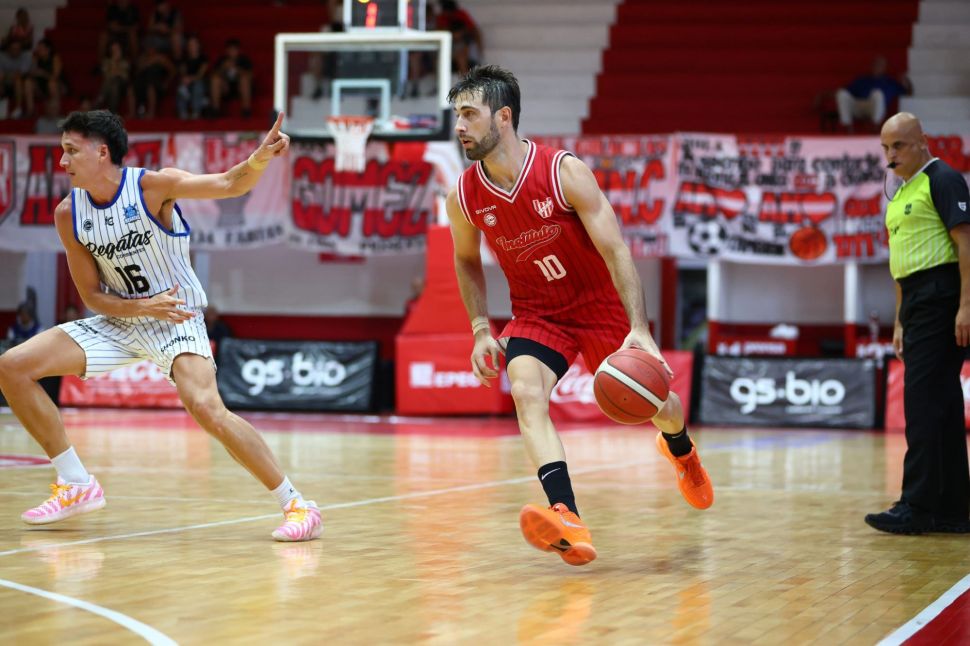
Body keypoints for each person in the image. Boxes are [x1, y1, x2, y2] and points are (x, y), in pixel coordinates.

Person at [0, 109, 322, 542]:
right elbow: (91, 295)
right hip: (122, 318)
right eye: (63, 151)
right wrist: (139, 308)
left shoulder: (153, 186)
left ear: (102, 152)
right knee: (12, 367)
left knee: (206, 408)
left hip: (176, 317)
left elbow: (229, 183)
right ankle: (76, 482)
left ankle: (298, 504)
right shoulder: (68, 213)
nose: (63, 161)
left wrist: (259, 159)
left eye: (71, 151)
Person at [445, 66, 714, 566]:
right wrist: (481, 329)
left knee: (660, 407)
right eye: (455, 115)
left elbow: (616, 250)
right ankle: (566, 514)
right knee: (526, 391)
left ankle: (681, 449)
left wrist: (639, 329)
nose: (459, 125)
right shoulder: (463, 196)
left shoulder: (562, 172)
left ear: (503, 117)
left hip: (599, 308)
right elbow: (465, 260)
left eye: (469, 114)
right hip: (538, 313)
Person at [865, 112, 970, 535]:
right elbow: (900, 262)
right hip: (915, 302)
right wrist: (899, 321)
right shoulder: (901, 193)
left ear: (922, 141)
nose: (891, 155)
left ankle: (917, 505)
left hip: (940, 296)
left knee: (923, 403)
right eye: (885, 148)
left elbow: (965, 243)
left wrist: (966, 305)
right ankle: (953, 509)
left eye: (899, 146)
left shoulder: (943, 179)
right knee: (942, 405)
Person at [836, 56, 911, 133]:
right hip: (859, 105)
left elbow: (907, 93)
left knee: (877, 93)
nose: (877, 67)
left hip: (873, 107)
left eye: (880, 65)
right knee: (842, 94)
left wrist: (905, 81)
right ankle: (847, 127)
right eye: (876, 64)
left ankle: (875, 127)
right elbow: (847, 92)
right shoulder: (863, 79)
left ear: (885, 67)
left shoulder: (890, 83)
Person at [209, 38, 253, 118]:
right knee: (215, 80)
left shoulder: (244, 60)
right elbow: (213, 75)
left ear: (238, 50)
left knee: (244, 80)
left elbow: (251, 76)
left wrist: (238, 70)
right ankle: (215, 110)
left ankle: (246, 110)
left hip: (239, 88)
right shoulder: (222, 60)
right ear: (227, 51)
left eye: (234, 50)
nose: (232, 52)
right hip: (225, 88)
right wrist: (223, 68)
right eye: (230, 49)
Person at [175, 35, 208, 120]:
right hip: (187, 83)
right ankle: (182, 112)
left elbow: (200, 74)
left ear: (198, 45)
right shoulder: (184, 58)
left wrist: (191, 79)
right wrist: (185, 79)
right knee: (182, 85)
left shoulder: (203, 58)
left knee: (198, 85)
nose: (192, 47)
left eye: (194, 44)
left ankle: (196, 111)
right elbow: (183, 72)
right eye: (190, 44)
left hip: (200, 83)